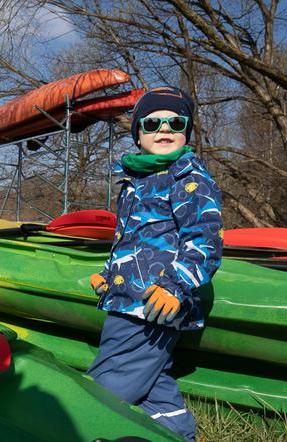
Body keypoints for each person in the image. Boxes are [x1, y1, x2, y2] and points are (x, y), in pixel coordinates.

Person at [86, 87, 223, 441]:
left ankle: (83, 428)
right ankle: (177, 434)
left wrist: (176, 285)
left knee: (107, 384)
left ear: (186, 131)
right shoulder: (136, 182)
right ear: (138, 134)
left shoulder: (189, 181)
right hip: (127, 296)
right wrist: (109, 275)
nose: (164, 129)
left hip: (152, 302)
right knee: (153, 382)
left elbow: (204, 243)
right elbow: (129, 240)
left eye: (175, 122)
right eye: (152, 123)